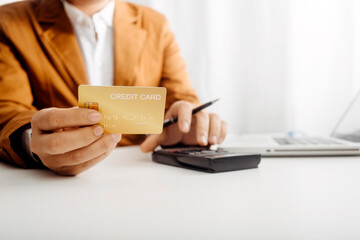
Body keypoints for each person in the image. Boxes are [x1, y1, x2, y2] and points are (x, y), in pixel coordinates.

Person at [0, 0, 227, 175]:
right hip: (48, 187)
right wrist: (34, 144)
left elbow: (181, 100)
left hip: (142, 179)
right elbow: (8, 112)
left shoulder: (155, 24)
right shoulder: (9, 22)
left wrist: (184, 125)